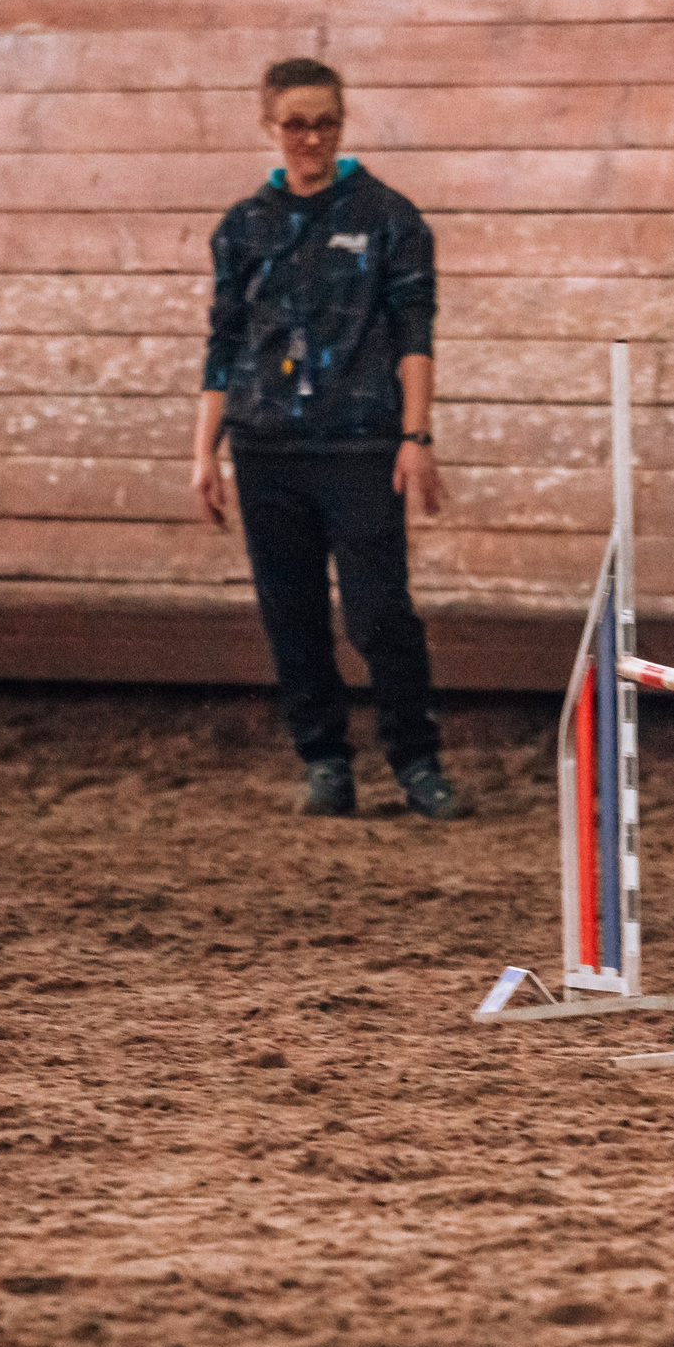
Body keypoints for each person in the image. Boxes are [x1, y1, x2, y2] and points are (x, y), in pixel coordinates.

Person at [189, 57, 468, 821]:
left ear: (341, 126)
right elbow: (224, 342)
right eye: (295, 124)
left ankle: (416, 759)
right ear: (269, 126)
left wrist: (417, 434)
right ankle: (324, 761)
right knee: (292, 611)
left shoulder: (390, 217)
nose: (310, 137)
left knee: (379, 610)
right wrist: (203, 452)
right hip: (266, 444)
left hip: (362, 443)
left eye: (324, 123)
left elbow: (417, 334)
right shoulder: (242, 228)